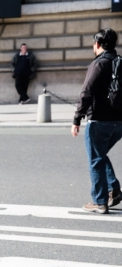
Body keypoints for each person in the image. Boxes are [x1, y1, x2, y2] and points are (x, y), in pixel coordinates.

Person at [71, 28, 122, 214]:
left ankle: (100, 202)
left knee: (95, 159)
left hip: (99, 120)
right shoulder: (120, 62)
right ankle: (114, 190)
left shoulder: (98, 64)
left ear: (97, 44)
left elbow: (86, 92)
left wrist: (77, 118)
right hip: (119, 122)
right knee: (99, 155)